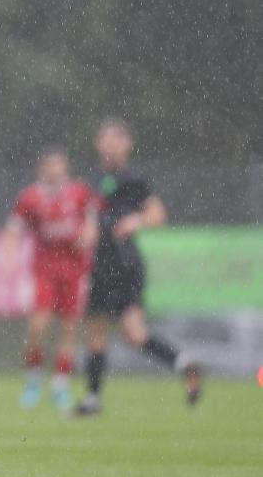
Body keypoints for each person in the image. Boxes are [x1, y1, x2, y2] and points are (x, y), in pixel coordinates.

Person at [75, 118, 201, 416]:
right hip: (102, 264)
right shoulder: (95, 180)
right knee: (112, 332)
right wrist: (87, 234)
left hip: (124, 264)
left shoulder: (132, 178)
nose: (109, 143)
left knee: (119, 331)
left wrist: (137, 220)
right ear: (97, 142)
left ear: (127, 144)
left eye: (116, 138)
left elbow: (158, 214)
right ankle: (182, 362)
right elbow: (94, 219)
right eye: (105, 137)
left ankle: (95, 398)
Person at [3, 148, 96, 412]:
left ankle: (60, 384)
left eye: (59, 165)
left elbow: (91, 222)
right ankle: (33, 380)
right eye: (50, 166)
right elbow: (13, 229)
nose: (55, 170)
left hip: (74, 270)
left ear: (66, 167)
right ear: (42, 169)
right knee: (39, 326)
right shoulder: (31, 197)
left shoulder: (79, 192)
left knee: (68, 328)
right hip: (44, 270)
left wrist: (88, 236)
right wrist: (8, 256)